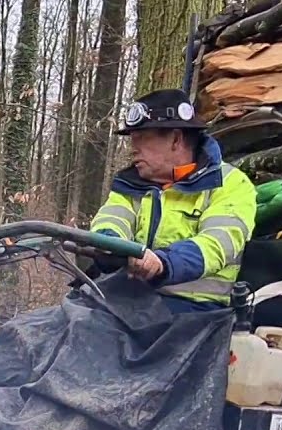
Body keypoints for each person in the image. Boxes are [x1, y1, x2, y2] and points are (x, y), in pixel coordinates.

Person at [84, 88, 256, 314]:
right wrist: (108, 242)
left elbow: (218, 243)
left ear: (176, 139)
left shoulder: (230, 184)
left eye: (142, 138)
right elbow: (113, 218)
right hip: (128, 300)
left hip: (194, 315)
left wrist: (164, 263)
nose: (133, 149)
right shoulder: (131, 184)